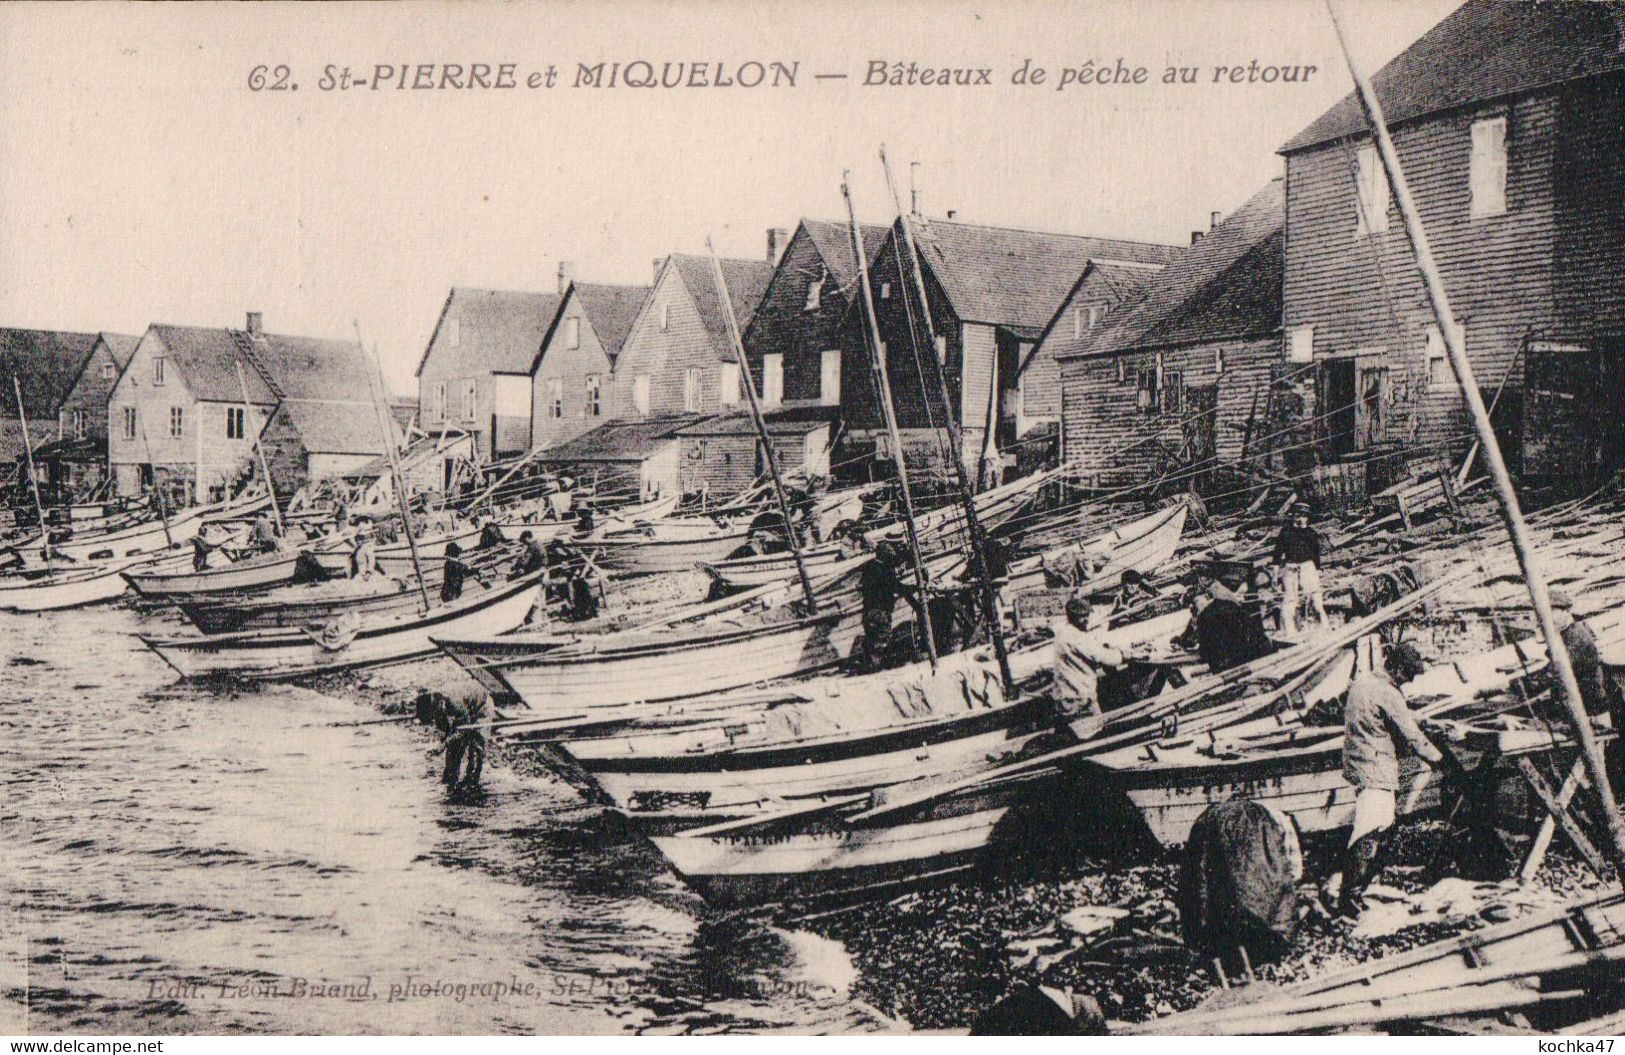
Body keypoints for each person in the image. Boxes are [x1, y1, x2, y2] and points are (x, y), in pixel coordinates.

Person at [1337, 641, 1461, 918]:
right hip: (1376, 767)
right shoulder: (1388, 692)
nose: (1408, 681)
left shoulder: (1363, 682)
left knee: (1381, 825)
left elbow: (1388, 715)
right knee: (1371, 828)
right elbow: (1413, 738)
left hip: (1359, 762)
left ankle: (1357, 892)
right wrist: (1442, 762)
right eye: (1408, 675)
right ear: (1397, 668)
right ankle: (1350, 898)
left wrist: (1413, 717)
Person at [1051, 593, 1125, 726]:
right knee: (1096, 728)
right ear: (1072, 618)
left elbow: (1088, 651)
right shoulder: (1076, 637)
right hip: (1079, 697)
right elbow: (1102, 656)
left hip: (1063, 694)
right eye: (1082, 617)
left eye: (1087, 616)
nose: (1086, 620)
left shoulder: (1063, 633)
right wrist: (1122, 655)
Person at [1194, 575, 1273, 673]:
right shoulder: (1238, 611)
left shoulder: (1203, 614)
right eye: (1240, 594)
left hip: (1217, 664)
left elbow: (1204, 647)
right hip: (1237, 662)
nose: (1242, 598)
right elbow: (1248, 636)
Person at [857, 541, 916, 672]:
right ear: (885, 556)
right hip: (880, 612)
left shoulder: (869, 567)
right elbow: (896, 587)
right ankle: (879, 670)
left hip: (868, 611)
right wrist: (914, 587)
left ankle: (868, 667)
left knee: (871, 641)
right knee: (882, 641)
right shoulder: (884, 570)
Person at [415, 688, 488, 791]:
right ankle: (450, 778)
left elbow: (464, 730)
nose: (433, 717)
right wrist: (441, 745)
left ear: (440, 704)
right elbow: (446, 731)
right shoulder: (435, 706)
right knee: (453, 748)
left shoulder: (453, 703)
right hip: (465, 713)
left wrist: (445, 744)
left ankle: (474, 777)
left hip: (481, 707)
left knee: (475, 744)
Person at [1272, 508, 1328, 637]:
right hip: (1290, 568)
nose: (1301, 519)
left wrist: (1317, 571)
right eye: (1298, 515)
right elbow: (1277, 554)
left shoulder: (1311, 533)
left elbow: (1316, 555)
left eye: (1304, 516)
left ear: (1308, 518)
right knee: (1290, 599)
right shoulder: (1285, 532)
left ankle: (1324, 627)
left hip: (1308, 567)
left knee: (1315, 597)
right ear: (1293, 516)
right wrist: (1275, 574)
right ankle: (1288, 631)